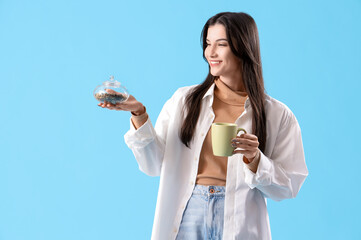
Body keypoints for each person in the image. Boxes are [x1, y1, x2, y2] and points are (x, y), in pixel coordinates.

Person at [98, 11, 308, 240]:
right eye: (208, 44)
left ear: (244, 48)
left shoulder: (277, 115)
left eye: (221, 44)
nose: (211, 53)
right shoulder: (184, 101)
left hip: (239, 219)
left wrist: (255, 160)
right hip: (188, 215)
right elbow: (153, 164)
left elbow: (289, 186)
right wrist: (139, 114)